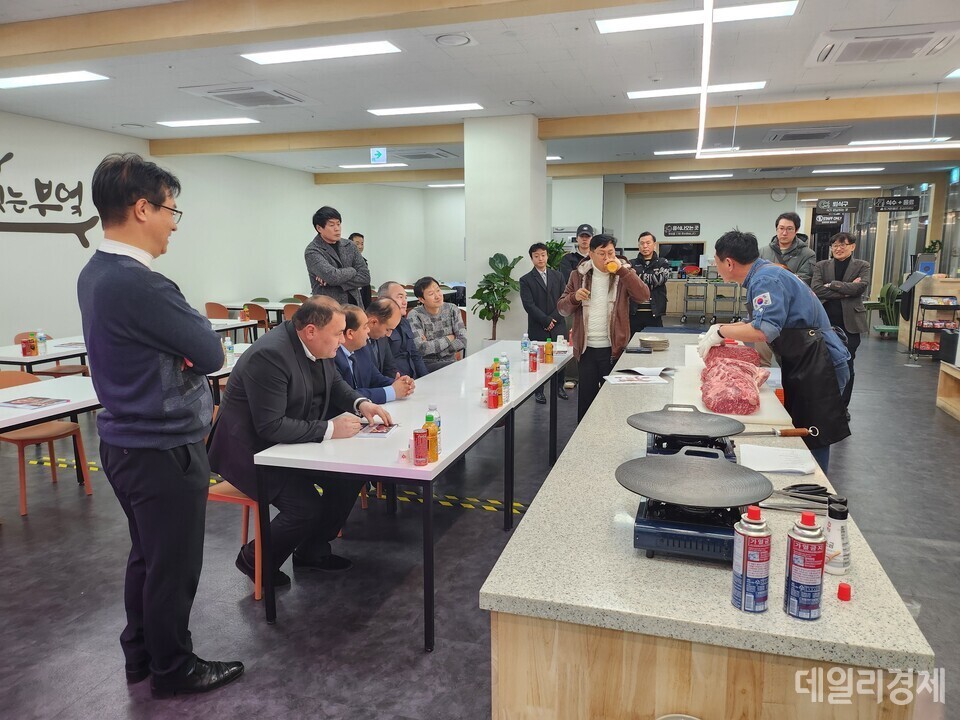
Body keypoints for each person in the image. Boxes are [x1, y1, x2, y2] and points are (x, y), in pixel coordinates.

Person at [77, 153, 243, 697]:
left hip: (125, 443)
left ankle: (142, 655)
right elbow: (208, 351)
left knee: (148, 557)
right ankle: (174, 668)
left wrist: (186, 353)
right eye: (172, 209)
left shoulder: (96, 272)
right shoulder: (142, 284)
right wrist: (190, 353)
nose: (175, 222)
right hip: (162, 447)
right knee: (173, 566)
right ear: (143, 208)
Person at [207, 298, 393, 584]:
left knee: (348, 478)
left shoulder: (316, 345)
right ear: (310, 331)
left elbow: (333, 383)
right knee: (305, 506)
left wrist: (361, 403)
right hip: (249, 452)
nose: (343, 340)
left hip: (288, 442)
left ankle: (312, 551)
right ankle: (255, 558)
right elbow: (270, 426)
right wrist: (330, 428)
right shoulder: (270, 355)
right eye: (337, 333)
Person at [698, 230, 850, 472]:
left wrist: (722, 332)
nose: (717, 267)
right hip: (808, 358)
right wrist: (719, 329)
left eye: (716, 262)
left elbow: (763, 330)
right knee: (803, 426)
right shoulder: (764, 273)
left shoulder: (765, 279)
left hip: (821, 362)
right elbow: (757, 321)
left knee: (814, 432)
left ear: (728, 262)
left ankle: (816, 493)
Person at [558, 233, 650, 421]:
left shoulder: (624, 273)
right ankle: (584, 441)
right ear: (591, 254)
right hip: (587, 350)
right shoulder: (578, 275)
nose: (607, 258)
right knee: (586, 403)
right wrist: (574, 297)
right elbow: (562, 308)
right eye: (602, 253)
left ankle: (613, 441)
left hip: (614, 349)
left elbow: (643, 296)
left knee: (616, 402)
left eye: (611, 253)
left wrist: (623, 271)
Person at [811, 232, 870, 418]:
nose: (838, 248)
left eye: (843, 245)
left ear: (852, 246)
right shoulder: (821, 265)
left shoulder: (862, 266)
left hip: (850, 323)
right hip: (825, 322)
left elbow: (860, 288)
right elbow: (817, 289)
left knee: (847, 364)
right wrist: (846, 289)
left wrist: (833, 285)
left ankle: (842, 407)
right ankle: (822, 403)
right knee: (822, 363)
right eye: (835, 245)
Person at [334, 304, 414, 405]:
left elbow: (375, 378)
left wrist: (401, 384)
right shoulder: (332, 356)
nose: (368, 331)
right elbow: (347, 394)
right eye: (365, 327)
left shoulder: (362, 349)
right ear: (350, 333)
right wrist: (392, 391)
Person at [519, 242, 568, 404]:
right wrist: (546, 320)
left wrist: (553, 319)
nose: (540, 258)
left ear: (547, 256)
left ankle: (560, 386)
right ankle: (538, 391)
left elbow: (564, 299)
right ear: (532, 258)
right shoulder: (525, 280)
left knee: (560, 356)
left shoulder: (558, 276)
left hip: (558, 323)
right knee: (538, 359)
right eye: (536, 256)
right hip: (538, 325)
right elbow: (528, 305)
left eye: (543, 255)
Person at [304, 206, 370, 305]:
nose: (337, 229)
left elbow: (365, 277)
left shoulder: (350, 245)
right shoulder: (313, 250)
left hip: (355, 307)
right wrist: (353, 270)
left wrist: (332, 281)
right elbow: (333, 277)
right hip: (329, 310)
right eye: (332, 225)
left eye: (338, 224)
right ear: (319, 228)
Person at [558, 223, 594, 389]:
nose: (585, 240)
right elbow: (571, 281)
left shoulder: (596, 259)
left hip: (594, 306)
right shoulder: (568, 259)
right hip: (574, 306)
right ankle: (571, 376)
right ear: (577, 238)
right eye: (582, 237)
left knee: (593, 339)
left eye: (587, 237)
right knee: (573, 340)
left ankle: (593, 375)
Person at [407, 275, 468, 372]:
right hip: (426, 365)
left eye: (438, 290)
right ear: (421, 299)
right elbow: (421, 348)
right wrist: (449, 338)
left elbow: (463, 339)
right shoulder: (415, 315)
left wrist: (438, 352)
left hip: (450, 362)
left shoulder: (452, 309)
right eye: (431, 294)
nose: (437, 296)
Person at [379, 281, 430, 378]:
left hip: (413, 376)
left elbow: (415, 355)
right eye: (400, 297)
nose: (405, 302)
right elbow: (386, 366)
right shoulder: (380, 326)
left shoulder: (405, 322)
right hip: (396, 381)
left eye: (405, 297)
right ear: (383, 300)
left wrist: (425, 378)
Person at [629, 231, 671, 335]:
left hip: (654, 313)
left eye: (648, 243)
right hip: (634, 313)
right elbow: (628, 282)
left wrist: (636, 277)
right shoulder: (631, 263)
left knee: (655, 343)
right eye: (642, 243)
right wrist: (646, 279)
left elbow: (660, 279)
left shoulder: (663, 262)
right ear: (638, 246)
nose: (645, 246)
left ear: (654, 245)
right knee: (632, 345)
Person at [758, 212, 816, 285]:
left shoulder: (808, 255)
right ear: (776, 229)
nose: (784, 233)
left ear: (796, 230)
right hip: (766, 294)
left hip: (792, 296)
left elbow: (804, 282)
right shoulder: (762, 252)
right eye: (781, 228)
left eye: (789, 229)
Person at [365, 296, 401, 378]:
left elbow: (390, 367)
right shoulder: (355, 338)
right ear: (373, 322)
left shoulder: (382, 337)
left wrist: (397, 384)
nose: (389, 334)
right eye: (388, 329)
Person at [348, 232, 373, 307]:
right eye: (357, 243)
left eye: (362, 244)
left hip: (363, 294)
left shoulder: (364, 261)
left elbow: (366, 282)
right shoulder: (345, 261)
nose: (360, 246)